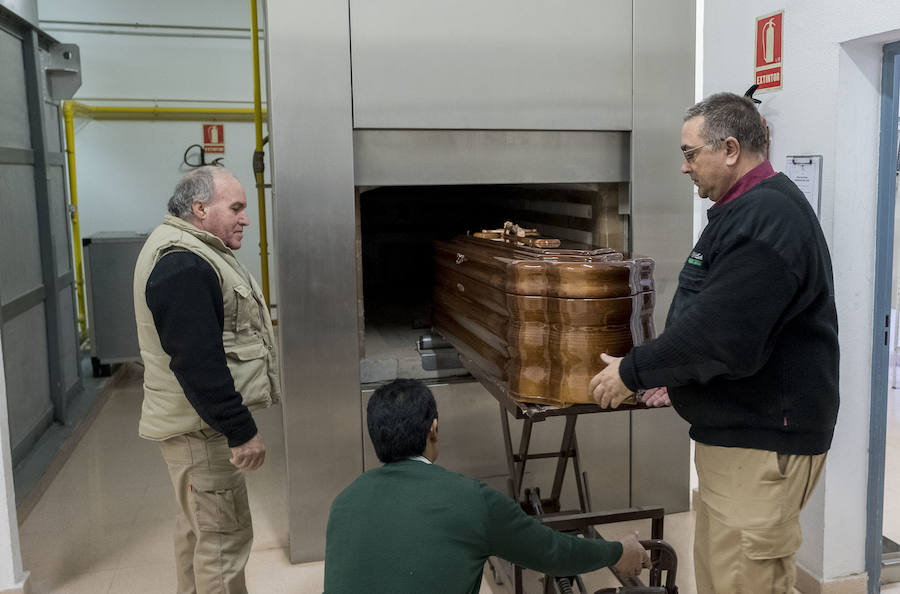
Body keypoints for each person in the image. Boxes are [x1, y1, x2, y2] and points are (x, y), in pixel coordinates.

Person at [589, 92, 839, 594]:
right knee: (728, 575)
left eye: (689, 153)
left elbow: (720, 336)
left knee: (743, 581)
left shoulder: (766, 220)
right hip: (744, 436)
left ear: (729, 148)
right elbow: (725, 322)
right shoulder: (746, 209)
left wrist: (634, 372)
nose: (684, 167)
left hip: (762, 441)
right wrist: (675, 379)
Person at [324, 378, 649, 593]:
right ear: (433, 429)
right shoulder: (469, 500)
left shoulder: (344, 502)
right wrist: (616, 552)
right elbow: (552, 552)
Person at [133, 166, 280, 594]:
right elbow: (198, 361)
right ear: (200, 208)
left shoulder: (190, 250)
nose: (246, 219)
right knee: (222, 543)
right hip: (203, 433)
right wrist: (240, 430)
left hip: (194, 429)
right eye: (236, 207)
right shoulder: (183, 263)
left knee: (199, 534)